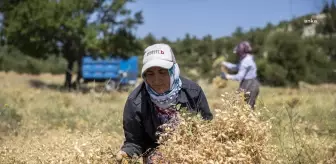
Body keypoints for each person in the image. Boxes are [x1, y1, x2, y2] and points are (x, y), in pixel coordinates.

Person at [116, 43, 213, 163]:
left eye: (162, 72)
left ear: (173, 70)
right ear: (144, 76)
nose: (156, 80)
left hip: (191, 149)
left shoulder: (193, 92)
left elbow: (207, 128)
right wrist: (126, 153)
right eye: (150, 73)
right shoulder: (135, 101)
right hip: (156, 153)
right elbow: (135, 141)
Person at [220, 41, 260, 110]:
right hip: (249, 83)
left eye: (238, 53)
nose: (237, 54)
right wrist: (225, 64)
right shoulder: (247, 58)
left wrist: (227, 76)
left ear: (241, 52)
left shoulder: (246, 61)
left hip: (250, 85)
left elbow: (239, 77)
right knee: (239, 105)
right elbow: (237, 67)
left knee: (248, 108)